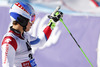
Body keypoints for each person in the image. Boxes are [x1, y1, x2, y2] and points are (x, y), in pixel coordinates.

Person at [1, 2, 63, 67]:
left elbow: (40, 42)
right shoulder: (10, 41)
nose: (32, 23)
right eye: (31, 19)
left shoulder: (24, 36)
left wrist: (52, 22)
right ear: (22, 20)